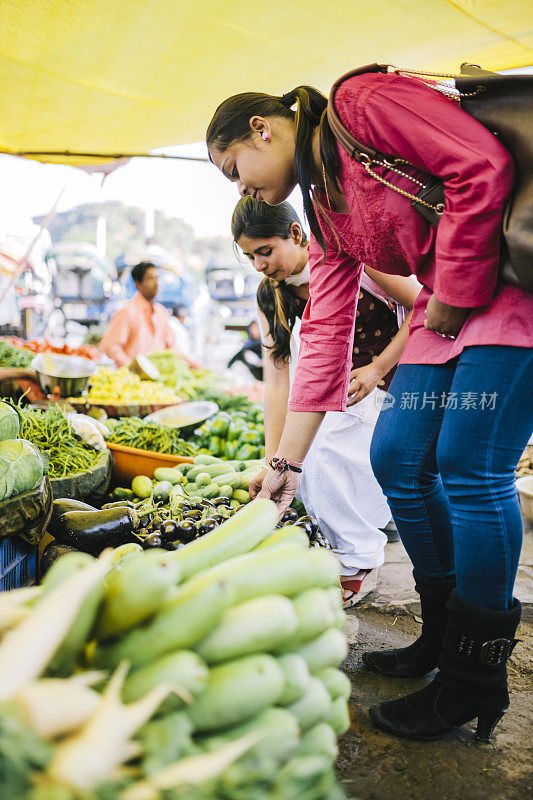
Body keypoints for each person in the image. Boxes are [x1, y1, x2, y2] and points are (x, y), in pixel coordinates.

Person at [206, 71, 533, 741]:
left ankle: (473, 678)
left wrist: (451, 291)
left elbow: (484, 165)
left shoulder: (363, 105)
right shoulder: (323, 207)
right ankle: (439, 638)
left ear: (262, 131)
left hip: (505, 288)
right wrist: (284, 465)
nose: (239, 188)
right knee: (396, 458)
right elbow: (323, 336)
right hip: (447, 312)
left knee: (469, 466)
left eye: (233, 168)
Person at [232, 195, 420, 604]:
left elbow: (423, 305)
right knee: (304, 461)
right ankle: (349, 549)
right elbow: (278, 383)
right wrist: (274, 460)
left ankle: (358, 559)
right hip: (334, 398)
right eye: (250, 258)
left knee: (328, 454)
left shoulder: (352, 257)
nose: (260, 265)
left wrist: (375, 369)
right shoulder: (271, 298)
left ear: (296, 234)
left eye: (265, 251)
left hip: (396, 384)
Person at [100, 261, 199, 368]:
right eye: (150, 279)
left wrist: (193, 364)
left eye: (157, 278)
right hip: (134, 381)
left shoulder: (161, 312)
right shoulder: (127, 312)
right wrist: (131, 369)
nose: (156, 283)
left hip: (157, 380)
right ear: (138, 284)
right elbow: (110, 346)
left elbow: (172, 348)